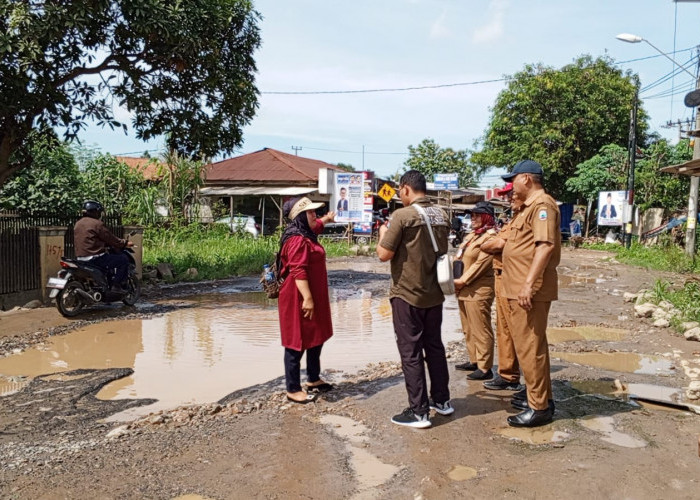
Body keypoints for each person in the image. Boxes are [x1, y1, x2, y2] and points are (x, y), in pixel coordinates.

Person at [376, 170, 453, 429]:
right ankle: (442, 401)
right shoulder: (442, 214)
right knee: (434, 347)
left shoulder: (402, 216)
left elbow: (384, 254)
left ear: (406, 189)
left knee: (410, 352)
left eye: (400, 191)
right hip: (435, 293)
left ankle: (419, 412)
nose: (400, 195)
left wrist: (381, 234)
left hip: (407, 294)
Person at [500, 160, 560, 427]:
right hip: (517, 288)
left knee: (530, 347)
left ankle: (540, 407)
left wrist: (528, 284)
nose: (511, 185)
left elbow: (545, 246)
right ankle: (538, 396)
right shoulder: (529, 208)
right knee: (529, 347)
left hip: (527, 291)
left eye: (513, 180)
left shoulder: (542, 205)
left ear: (526, 179)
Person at [277, 197, 337, 404]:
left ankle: (313, 379)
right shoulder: (297, 240)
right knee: (296, 341)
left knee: (316, 334)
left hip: (311, 295)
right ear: (301, 217)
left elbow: (318, 226)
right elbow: (298, 270)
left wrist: (327, 220)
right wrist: (308, 298)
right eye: (311, 213)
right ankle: (293, 388)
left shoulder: (307, 233)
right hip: (298, 296)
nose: (315, 215)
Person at [481, 183, 525, 393]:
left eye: (511, 194)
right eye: (507, 195)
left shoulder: (526, 217)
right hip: (501, 276)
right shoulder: (514, 219)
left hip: (513, 277)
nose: (508, 199)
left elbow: (497, 245)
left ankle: (524, 383)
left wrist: (488, 243)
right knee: (504, 329)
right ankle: (507, 374)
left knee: (519, 332)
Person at [453, 201, 497, 381]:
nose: (474, 219)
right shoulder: (472, 235)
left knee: (481, 328)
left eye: (478, 215)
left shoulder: (491, 237)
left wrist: (462, 281)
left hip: (478, 289)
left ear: (487, 217)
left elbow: (480, 265)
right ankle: (474, 360)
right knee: (468, 327)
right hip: (463, 288)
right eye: (472, 215)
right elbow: (461, 257)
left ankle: (485, 368)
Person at [73, 200, 134, 293]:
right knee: (123, 260)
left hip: (80, 258)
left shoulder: (78, 224)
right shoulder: (97, 224)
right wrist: (125, 243)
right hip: (94, 258)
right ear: (95, 212)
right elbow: (110, 238)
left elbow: (91, 239)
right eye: (99, 212)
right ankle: (116, 286)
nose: (99, 214)